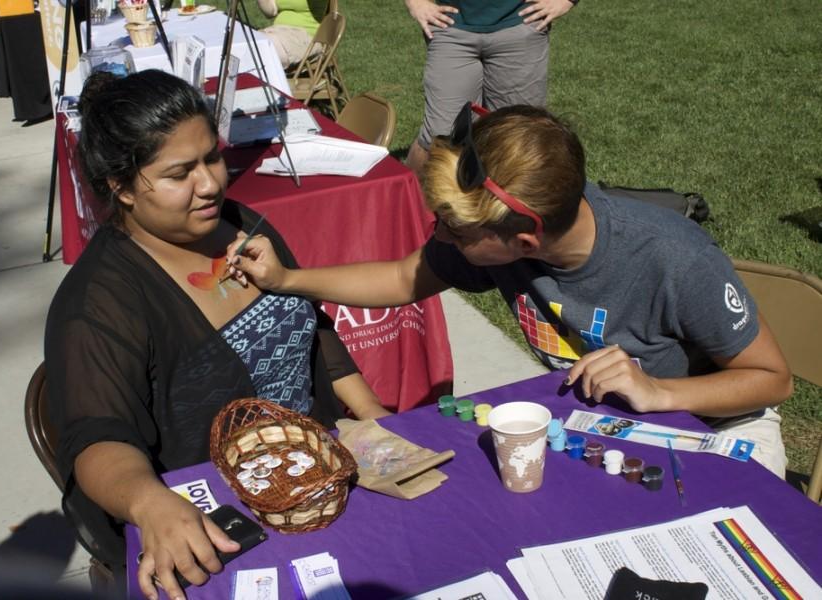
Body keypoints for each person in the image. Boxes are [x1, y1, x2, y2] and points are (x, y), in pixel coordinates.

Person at [226, 103, 794, 478]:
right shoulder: (510, 237)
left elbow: (772, 380)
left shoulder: (674, 256)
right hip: (606, 424)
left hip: (718, 428)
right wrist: (287, 280)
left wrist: (661, 393)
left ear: (524, 241)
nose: (439, 235)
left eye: (456, 230)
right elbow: (404, 277)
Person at [45, 69, 388, 600]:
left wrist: (377, 418)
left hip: (319, 475)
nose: (209, 184)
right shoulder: (98, 303)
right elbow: (96, 437)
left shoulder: (238, 224)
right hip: (224, 517)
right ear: (121, 187)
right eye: (179, 172)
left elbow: (309, 327)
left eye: (211, 158)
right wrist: (149, 503)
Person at [403, 0, 577, 178]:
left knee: (518, 134)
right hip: (451, 28)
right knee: (439, 136)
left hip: (520, 27)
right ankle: (403, 200)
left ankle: (507, 203)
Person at [257, 0, 329, 68]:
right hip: (278, 31)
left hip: (306, 37)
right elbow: (272, 10)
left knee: (266, 47)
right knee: (254, 42)